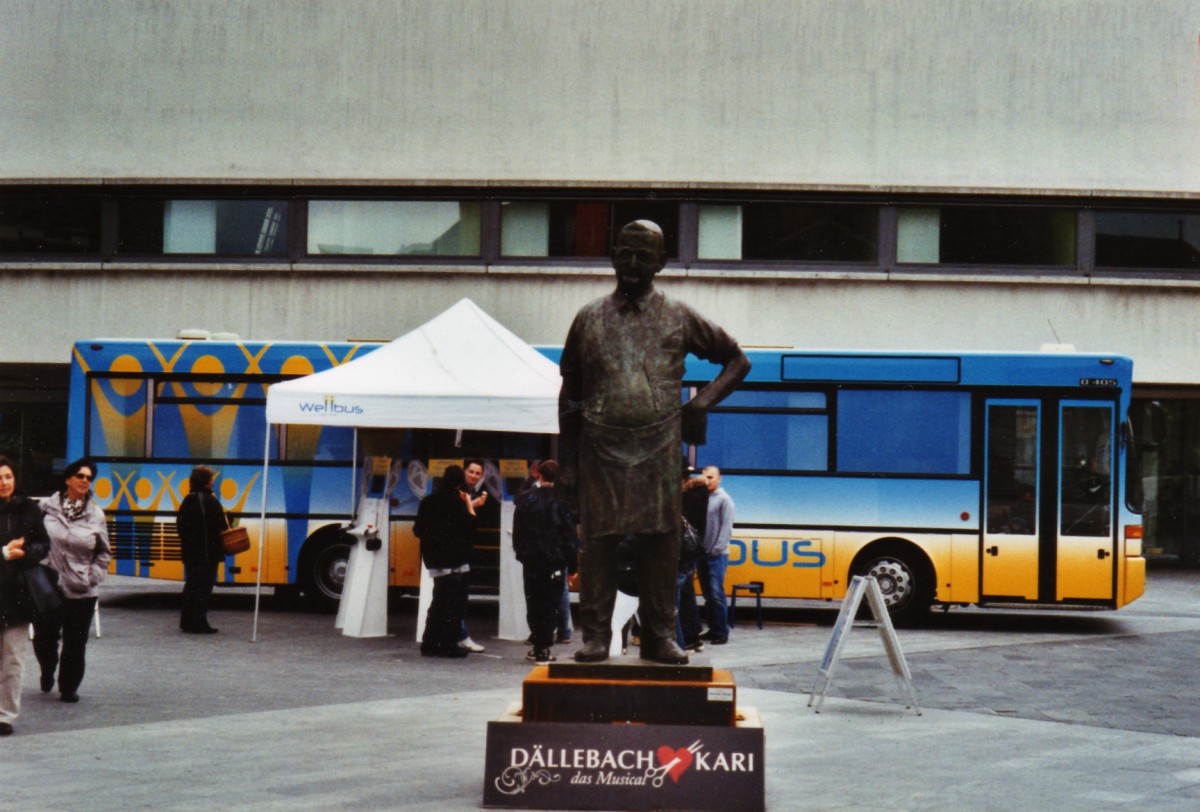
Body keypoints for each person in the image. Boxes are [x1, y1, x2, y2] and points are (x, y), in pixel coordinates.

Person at [558, 219, 750, 664]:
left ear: (661, 262)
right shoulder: (588, 318)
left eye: (644, 255)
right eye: (625, 252)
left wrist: (701, 403)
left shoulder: (678, 316)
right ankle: (595, 637)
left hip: (658, 448)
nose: (632, 262)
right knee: (599, 544)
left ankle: (661, 635)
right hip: (599, 449)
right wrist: (566, 463)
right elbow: (570, 393)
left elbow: (737, 361)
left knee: (660, 544)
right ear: (612, 256)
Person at [33, 459, 111, 703]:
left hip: (82, 589)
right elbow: (32, 540)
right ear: (67, 479)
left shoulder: (96, 515)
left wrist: (93, 576)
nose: (85, 480)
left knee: (76, 643)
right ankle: (48, 668)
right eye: (80, 476)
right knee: (44, 638)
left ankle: (68, 687)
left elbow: (104, 552)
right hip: (48, 586)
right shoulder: (45, 508)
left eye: (89, 477)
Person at [0, 456, 51, 735]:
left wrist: (26, 553)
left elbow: (43, 545)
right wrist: (7, 552)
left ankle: (5, 715)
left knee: (13, 657)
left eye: (8, 476)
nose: (4, 483)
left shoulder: (29, 509)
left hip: (17, 594)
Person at [512, 460, 578, 663]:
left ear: (539, 475)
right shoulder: (562, 502)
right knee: (550, 603)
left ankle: (537, 643)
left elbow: (518, 531)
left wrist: (521, 554)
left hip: (532, 560)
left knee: (533, 601)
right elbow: (569, 535)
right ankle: (544, 647)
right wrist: (572, 564)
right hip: (555, 560)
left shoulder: (526, 499)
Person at [415, 465, 477, 658]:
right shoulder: (458, 502)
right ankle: (448, 645)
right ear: (460, 483)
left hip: (435, 562)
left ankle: (429, 643)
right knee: (455, 606)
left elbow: (417, 530)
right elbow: (471, 526)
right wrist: (469, 504)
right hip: (456, 562)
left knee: (438, 602)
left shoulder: (428, 501)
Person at [175, 466, 227, 634]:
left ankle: (187, 622)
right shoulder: (211, 501)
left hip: (190, 552)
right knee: (204, 587)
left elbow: (181, 527)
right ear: (205, 482)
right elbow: (222, 526)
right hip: (207, 552)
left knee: (191, 584)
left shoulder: (187, 500)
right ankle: (199, 622)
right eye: (211, 479)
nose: (213, 481)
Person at [455, 459, 497, 654]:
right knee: (456, 595)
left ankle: (455, 635)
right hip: (456, 550)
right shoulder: (459, 491)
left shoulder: (471, 492)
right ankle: (461, 636)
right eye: (470, 471)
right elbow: (453, 514)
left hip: (465, 547)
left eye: (477, 473)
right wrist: (474, 504)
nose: (473, 476)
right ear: (464, 472)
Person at [697, 466, 735, 645]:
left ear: (720, 479)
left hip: (716, 556)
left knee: (716, 594)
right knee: (708, 595)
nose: (708, 481)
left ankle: (721, 632)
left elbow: (727, 528)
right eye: (705, 477)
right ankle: (713, 629)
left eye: (711, 477)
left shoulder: (724, 500)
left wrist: (716, 550)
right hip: (702, 553)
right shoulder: (703, 497)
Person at [676, 464, 707, 652]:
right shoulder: (699, 493)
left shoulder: (688, 496)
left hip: (683, 551)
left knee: (682, 595)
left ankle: (688, 636)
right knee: (687, 593)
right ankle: (693, 634)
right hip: (690, 551)